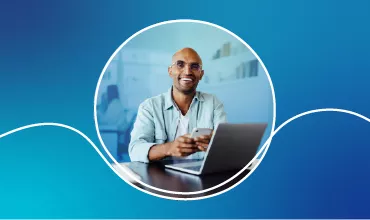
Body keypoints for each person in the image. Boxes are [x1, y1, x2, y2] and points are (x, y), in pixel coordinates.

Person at [129, 48, 227, 162]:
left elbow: (224, 144)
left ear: (201, 74)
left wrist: (217, 142)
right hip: (161, 176)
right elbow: (135, 150)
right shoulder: (149, 107)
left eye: (194, 66)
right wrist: (169, 148)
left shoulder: (213, 103)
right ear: (170, 71)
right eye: (180, 65)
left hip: (202, 174)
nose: (187, 72)